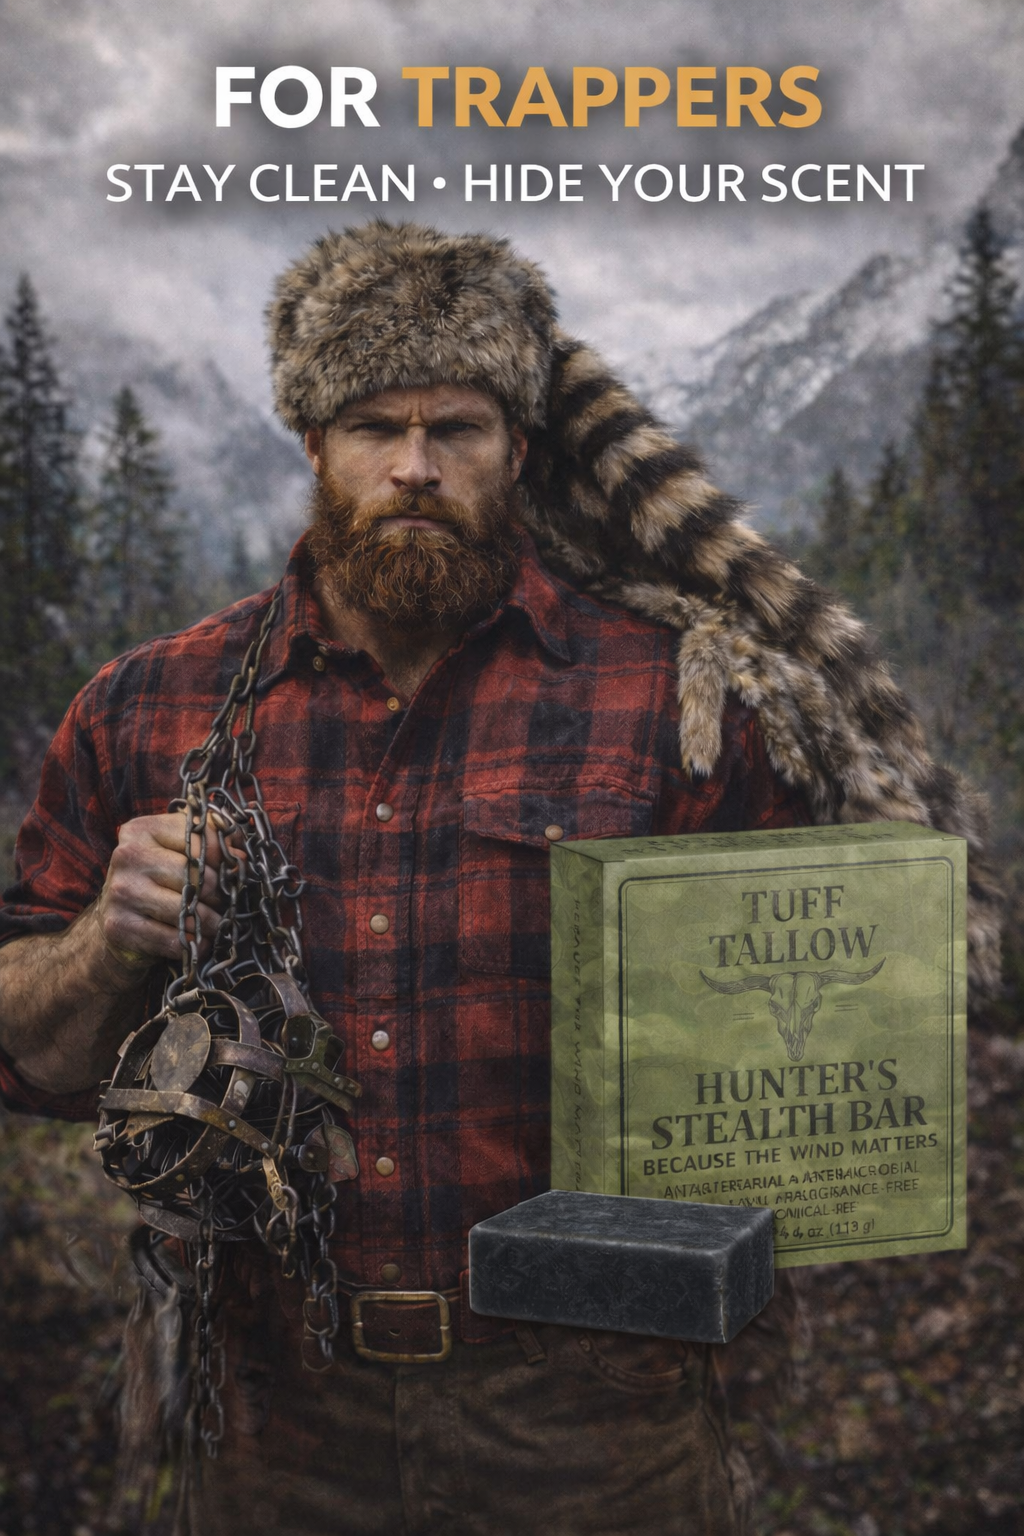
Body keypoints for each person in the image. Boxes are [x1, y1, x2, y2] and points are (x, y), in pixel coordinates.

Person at [0, 222, 1001, 1536]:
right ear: (313, 440)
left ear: (520, 449)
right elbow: (31, 1054)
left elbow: (844, 1022)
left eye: (456, 428)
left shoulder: (669, 699)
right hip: (272, 1415)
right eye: (374, 425)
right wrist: (109, 940)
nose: (415, 467)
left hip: (600, 1417)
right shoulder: (150, 706)